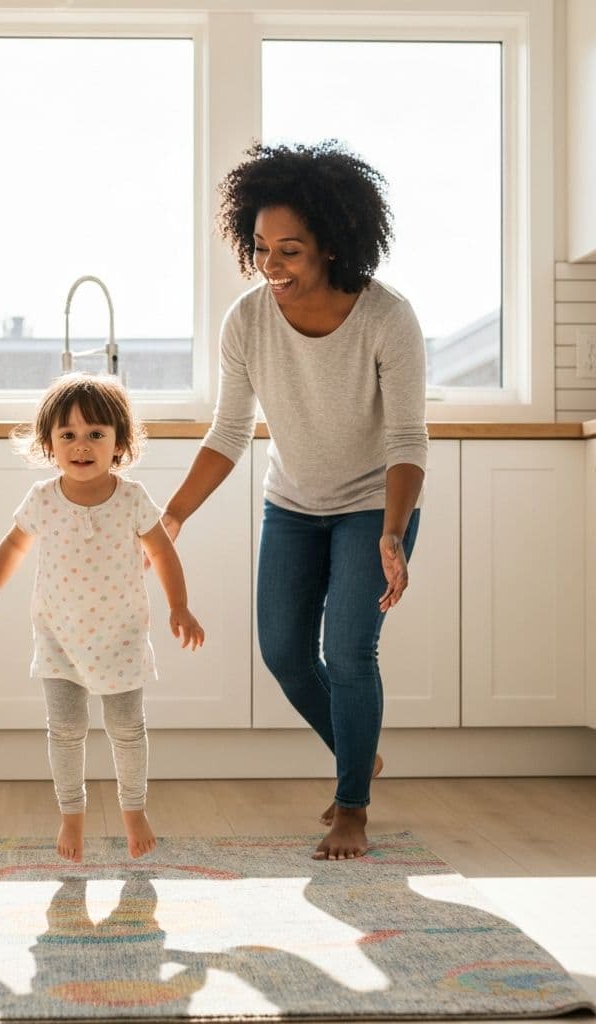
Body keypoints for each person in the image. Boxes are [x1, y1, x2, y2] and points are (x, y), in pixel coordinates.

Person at [162, 140, 428, 861]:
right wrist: (174, 514)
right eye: (260, 249)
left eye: (289, 251)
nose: (270, 266)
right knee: (283, 652)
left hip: (376, 503)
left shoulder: (386, 318)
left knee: (347, 652)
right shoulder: (247, 321)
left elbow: (407, 438)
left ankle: (352, 807)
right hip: (294, 503)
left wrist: (396, 533)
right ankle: (357, 750)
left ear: (333, 246)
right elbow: (229, 431)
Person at [0, 372, 205, 863]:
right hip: (58, 635)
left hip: (120, 636)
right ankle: (71, 814)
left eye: (96, 434)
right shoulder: (42, 498)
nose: (81, 445)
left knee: (126, 729)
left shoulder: (133, 498)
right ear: (49, 444)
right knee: (66, 729)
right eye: (68, 435)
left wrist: (178, 606)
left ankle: (133, 809)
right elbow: (15, 543)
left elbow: (161, 552)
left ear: (118, 443)